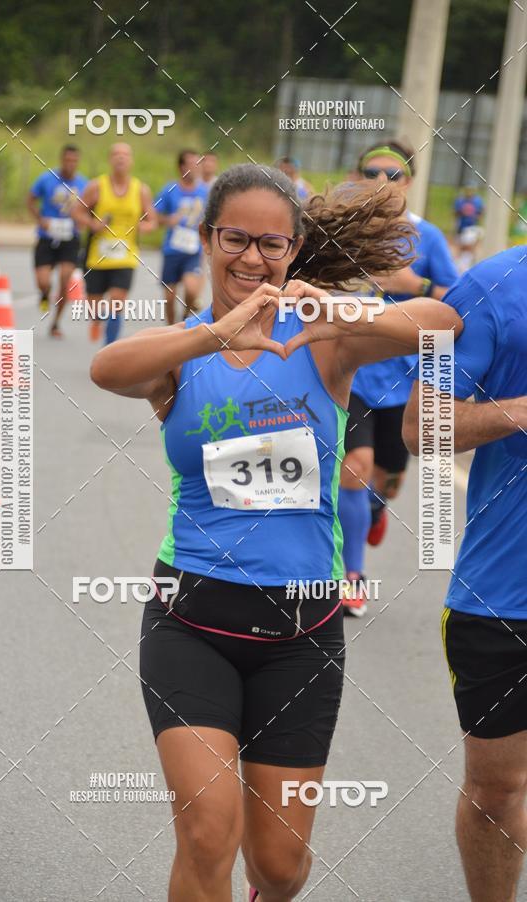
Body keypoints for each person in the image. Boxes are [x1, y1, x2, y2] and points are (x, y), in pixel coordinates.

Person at [91, 163, 463, 902]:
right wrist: (210, 336)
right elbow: (107, 367)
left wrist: (341, 311)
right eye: (236, 239)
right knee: (205, 832)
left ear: (294, 250)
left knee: (282, 866)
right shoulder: (183, 352)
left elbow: (441, 324)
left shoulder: (326, 341)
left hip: (302, 632)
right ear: (206, 238)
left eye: (272, 243)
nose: (252, 258)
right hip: (189, 619)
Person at [402, 245, 527, 902]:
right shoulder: (489, 289)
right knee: (496, 793)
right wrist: (520, 410)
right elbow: (421, 426)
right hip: (504, 599)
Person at [338, 138, 459, 617]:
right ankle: (351, 574)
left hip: (409, 378)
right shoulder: (342, 233)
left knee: (386, 479)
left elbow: (459, 299)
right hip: (351, 372)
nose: (383, 183)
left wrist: (417, 288)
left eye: (394, 175)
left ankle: (372, 511)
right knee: (357, 467)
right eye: (372, 173)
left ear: (410, 182)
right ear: (358, 177)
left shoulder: (428, 238)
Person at [73, 143, 156, 344]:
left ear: (131, 161)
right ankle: (96, 320)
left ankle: (108, 348)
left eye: (125, 155)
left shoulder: (140, 189)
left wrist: (142, 226)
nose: (121, 158)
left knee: (117, 304)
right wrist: (93, 224)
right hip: (97, 255)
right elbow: (76, 212)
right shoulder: (96, 186)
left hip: (125, 256)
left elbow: (152, 221)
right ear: (110, 160)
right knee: (95, 307)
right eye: (117, 155)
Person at [27, 144, 87, 336]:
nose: (70, 164)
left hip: (70, 238)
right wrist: (40, 219)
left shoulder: (83, 184)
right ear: (62, 160)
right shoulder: (47, 179)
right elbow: (30, 200)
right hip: (47, 237)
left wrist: (83, 222)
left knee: (65, 277)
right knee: (43, 281)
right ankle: (45, 293)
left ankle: (55, 323)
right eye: (67, 160)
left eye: (74, 161)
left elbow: (90, 209)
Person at [155, 149, 209, 324]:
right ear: (181, 167)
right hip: (172, 249)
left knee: (192, 291)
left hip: (193, 250)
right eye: (191, 164)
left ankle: (186, 317)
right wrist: (168, 219)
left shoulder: (205, 192)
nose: (195, 168)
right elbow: (154, 215)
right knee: (169, 298)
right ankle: (170, 330)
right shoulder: (170, 189)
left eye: (197, 164)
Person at [454, 185, 484, 273]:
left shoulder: (477, 201)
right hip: (462, 226)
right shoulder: (460, 201)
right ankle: (462, 265)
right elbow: (456, 213)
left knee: (470, 247)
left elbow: (481, 213)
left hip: (472, 227)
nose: (469, 192)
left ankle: (470, 264)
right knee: (462, 247)